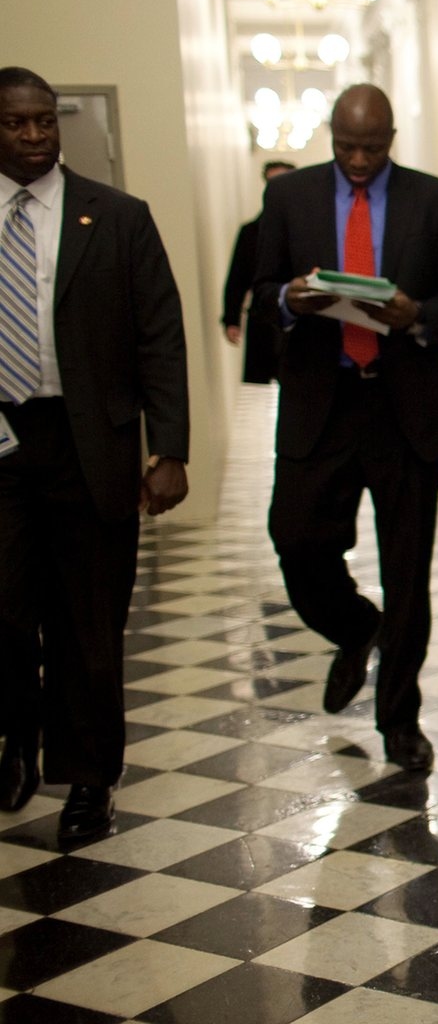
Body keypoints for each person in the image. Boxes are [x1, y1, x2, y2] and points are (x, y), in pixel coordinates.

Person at [253, 83, 438, 772]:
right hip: (321, 403)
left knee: (408, 573)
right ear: (329, 133)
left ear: (391, 139)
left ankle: (400, 721)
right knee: (294, 538)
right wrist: (290, 299)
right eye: (346, 145)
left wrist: (417, 315)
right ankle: (356, 628)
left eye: (372, 147)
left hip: (402, 406)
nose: (358, 158)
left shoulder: (434, 198)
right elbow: (260, 288)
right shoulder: (288, 198)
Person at [0, 66, 190, 839]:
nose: (37, 135)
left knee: (88, 625)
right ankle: (19, 730)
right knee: (7, 611)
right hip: (1, 445)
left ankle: (87, 779)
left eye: (46, 121)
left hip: (89, 448)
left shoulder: (115, 217)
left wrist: (169, 447)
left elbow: (160, 337)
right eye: (18, 123)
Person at [221, 159, 296, 383]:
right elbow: (237, 277)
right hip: (263, 318)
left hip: (301, 319)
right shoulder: (252, 232)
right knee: (261, 379)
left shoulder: (308, 230)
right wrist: (231, 319)